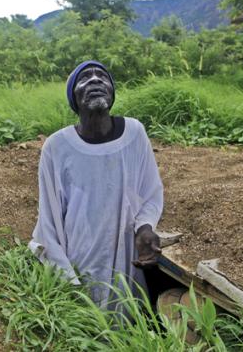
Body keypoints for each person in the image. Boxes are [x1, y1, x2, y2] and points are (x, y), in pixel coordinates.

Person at [29, 60, 163, 308]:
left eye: (102, 76)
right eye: (85, 77)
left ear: (112, 93)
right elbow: (48, 219)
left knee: (130, 320)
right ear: (74, 98)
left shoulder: (135, 133)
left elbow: (150, 192)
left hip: (126, 253)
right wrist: (67, 279)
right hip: (81, 254)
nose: (94, 80)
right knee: (87, 322)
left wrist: (145, 226)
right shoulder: (57, 147)